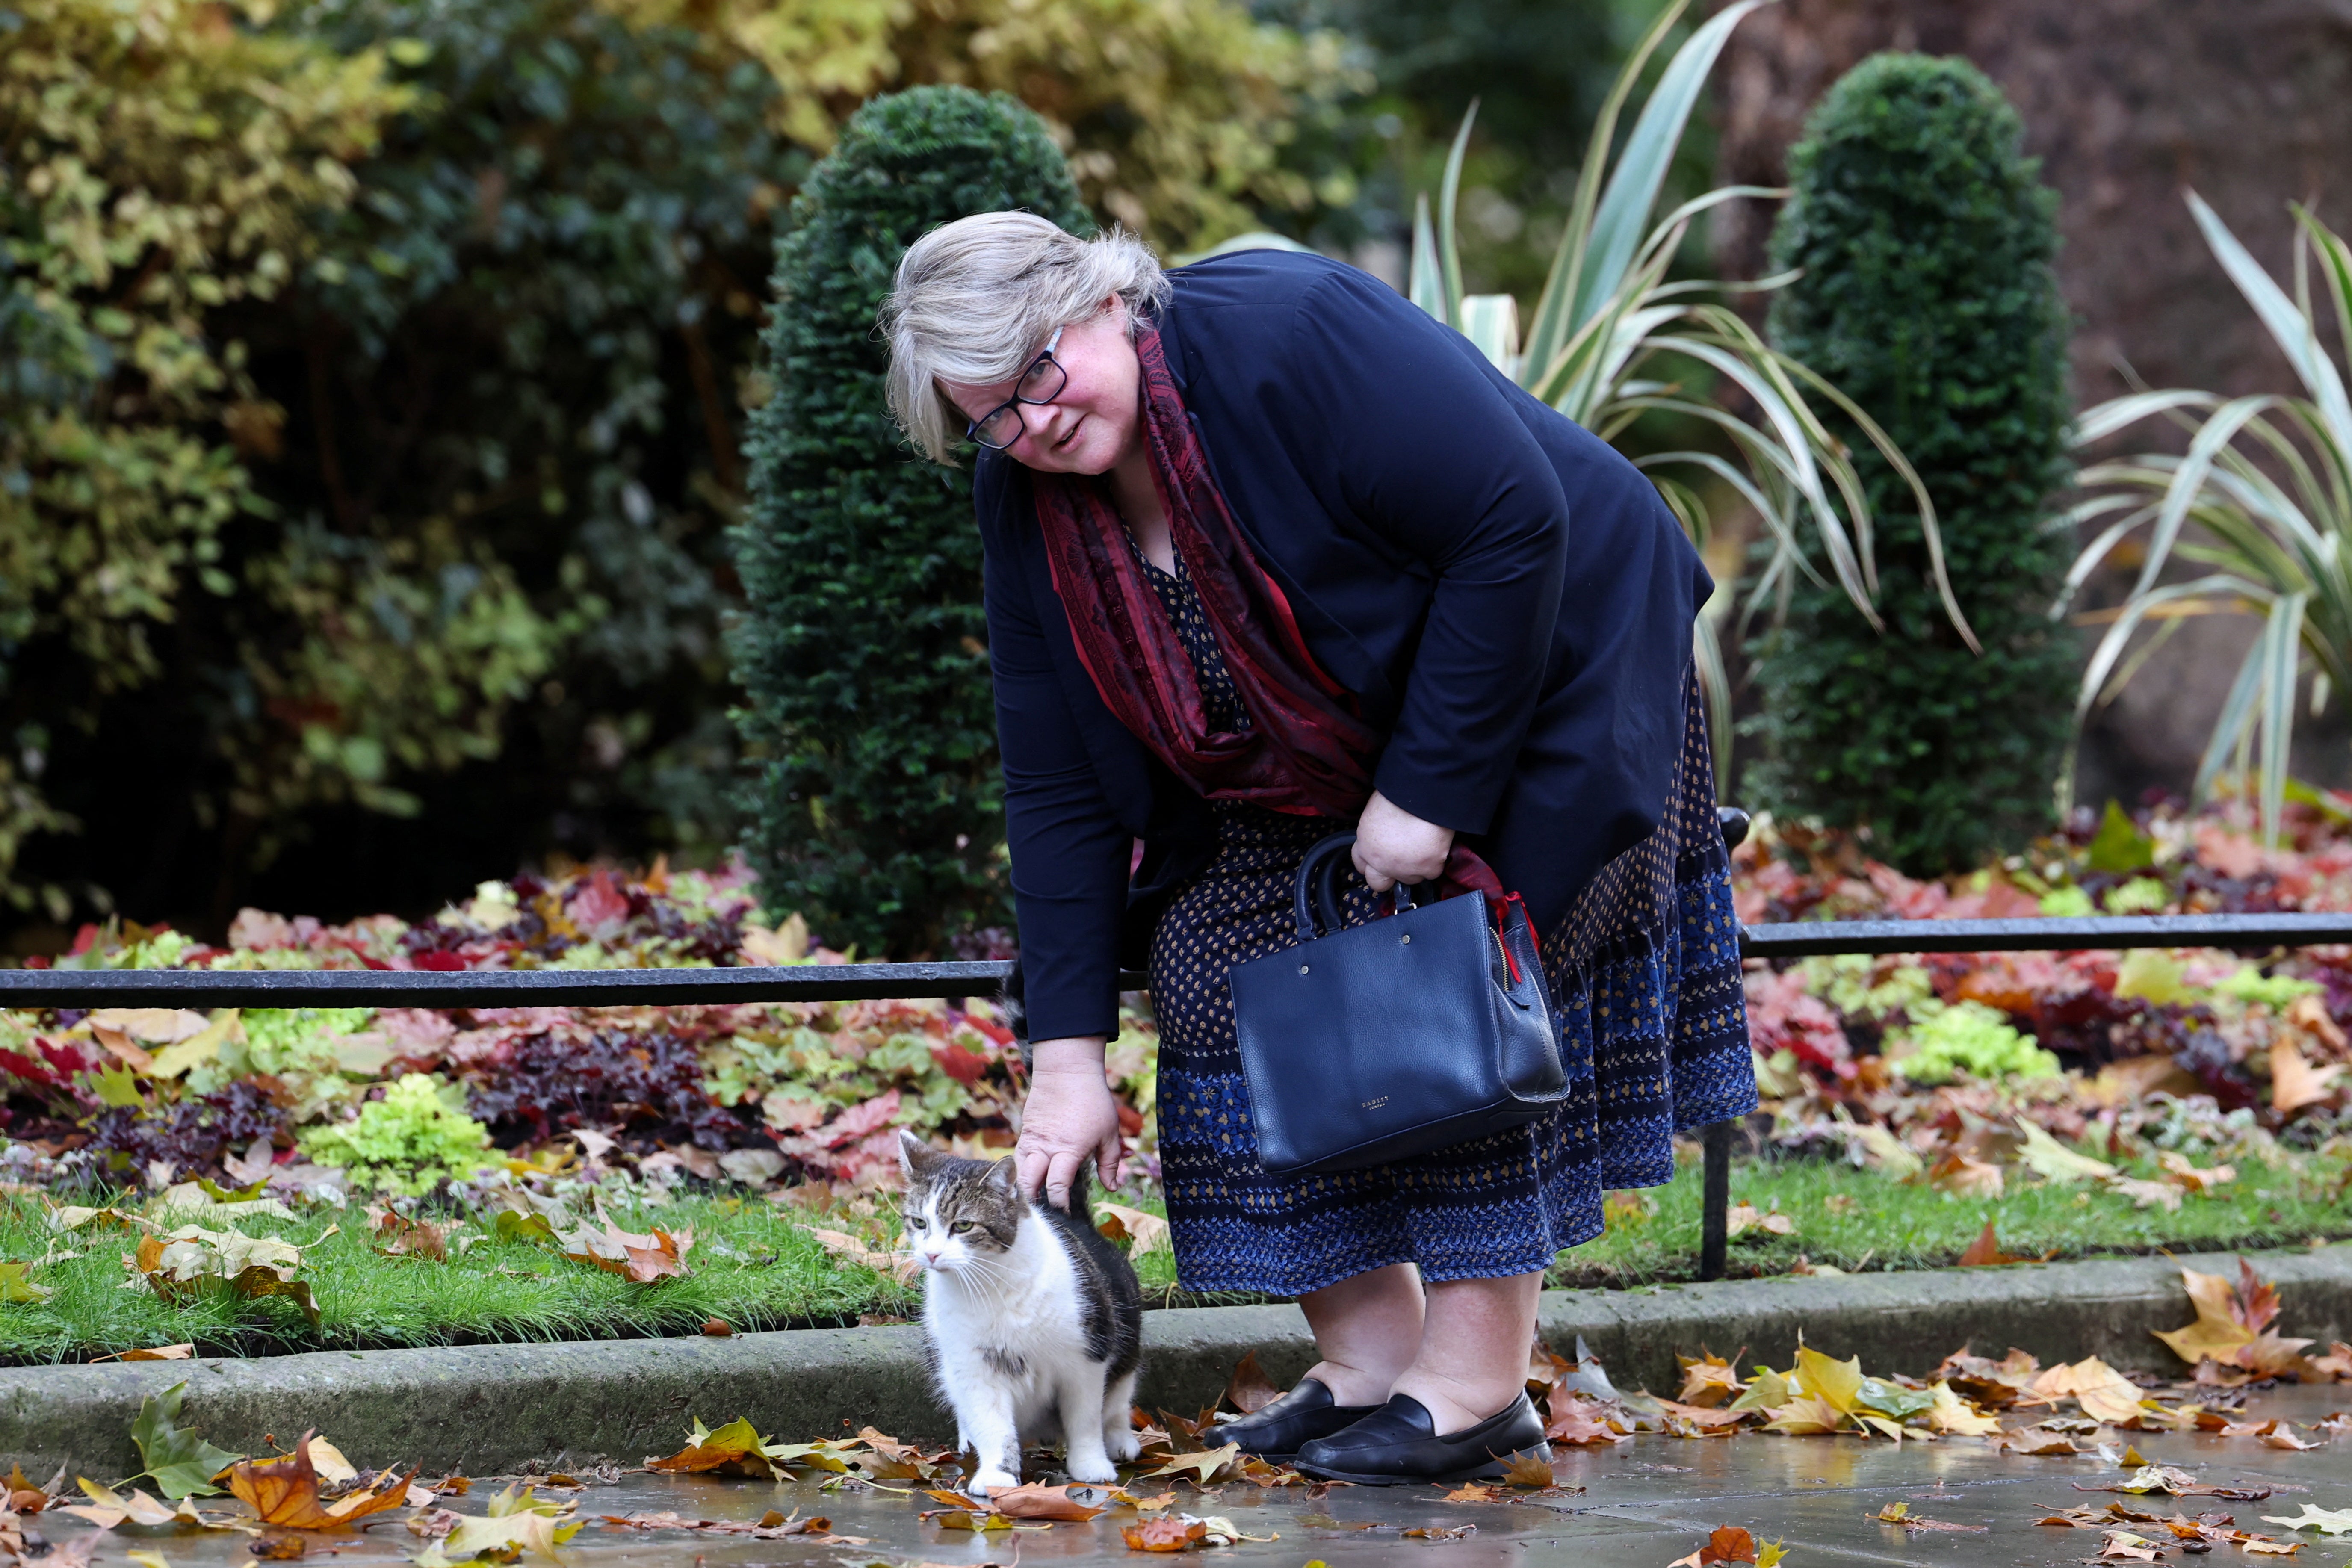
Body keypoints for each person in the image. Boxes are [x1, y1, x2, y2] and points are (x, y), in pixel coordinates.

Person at [880, 212, 1754, 1484]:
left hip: (1545, 673)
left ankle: (1473, 1388)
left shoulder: (1290, 334)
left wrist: (1427, 792)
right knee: (1205, 966)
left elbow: (1511, 523)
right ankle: (1368, 1360)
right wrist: (1064, 1055)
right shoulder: (1022, 493)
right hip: (1307, 758)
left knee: (1442, 984)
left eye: (1036, 374)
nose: (1032, 425)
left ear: (1102, 301)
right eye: (990, 415)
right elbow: (1054, 774)